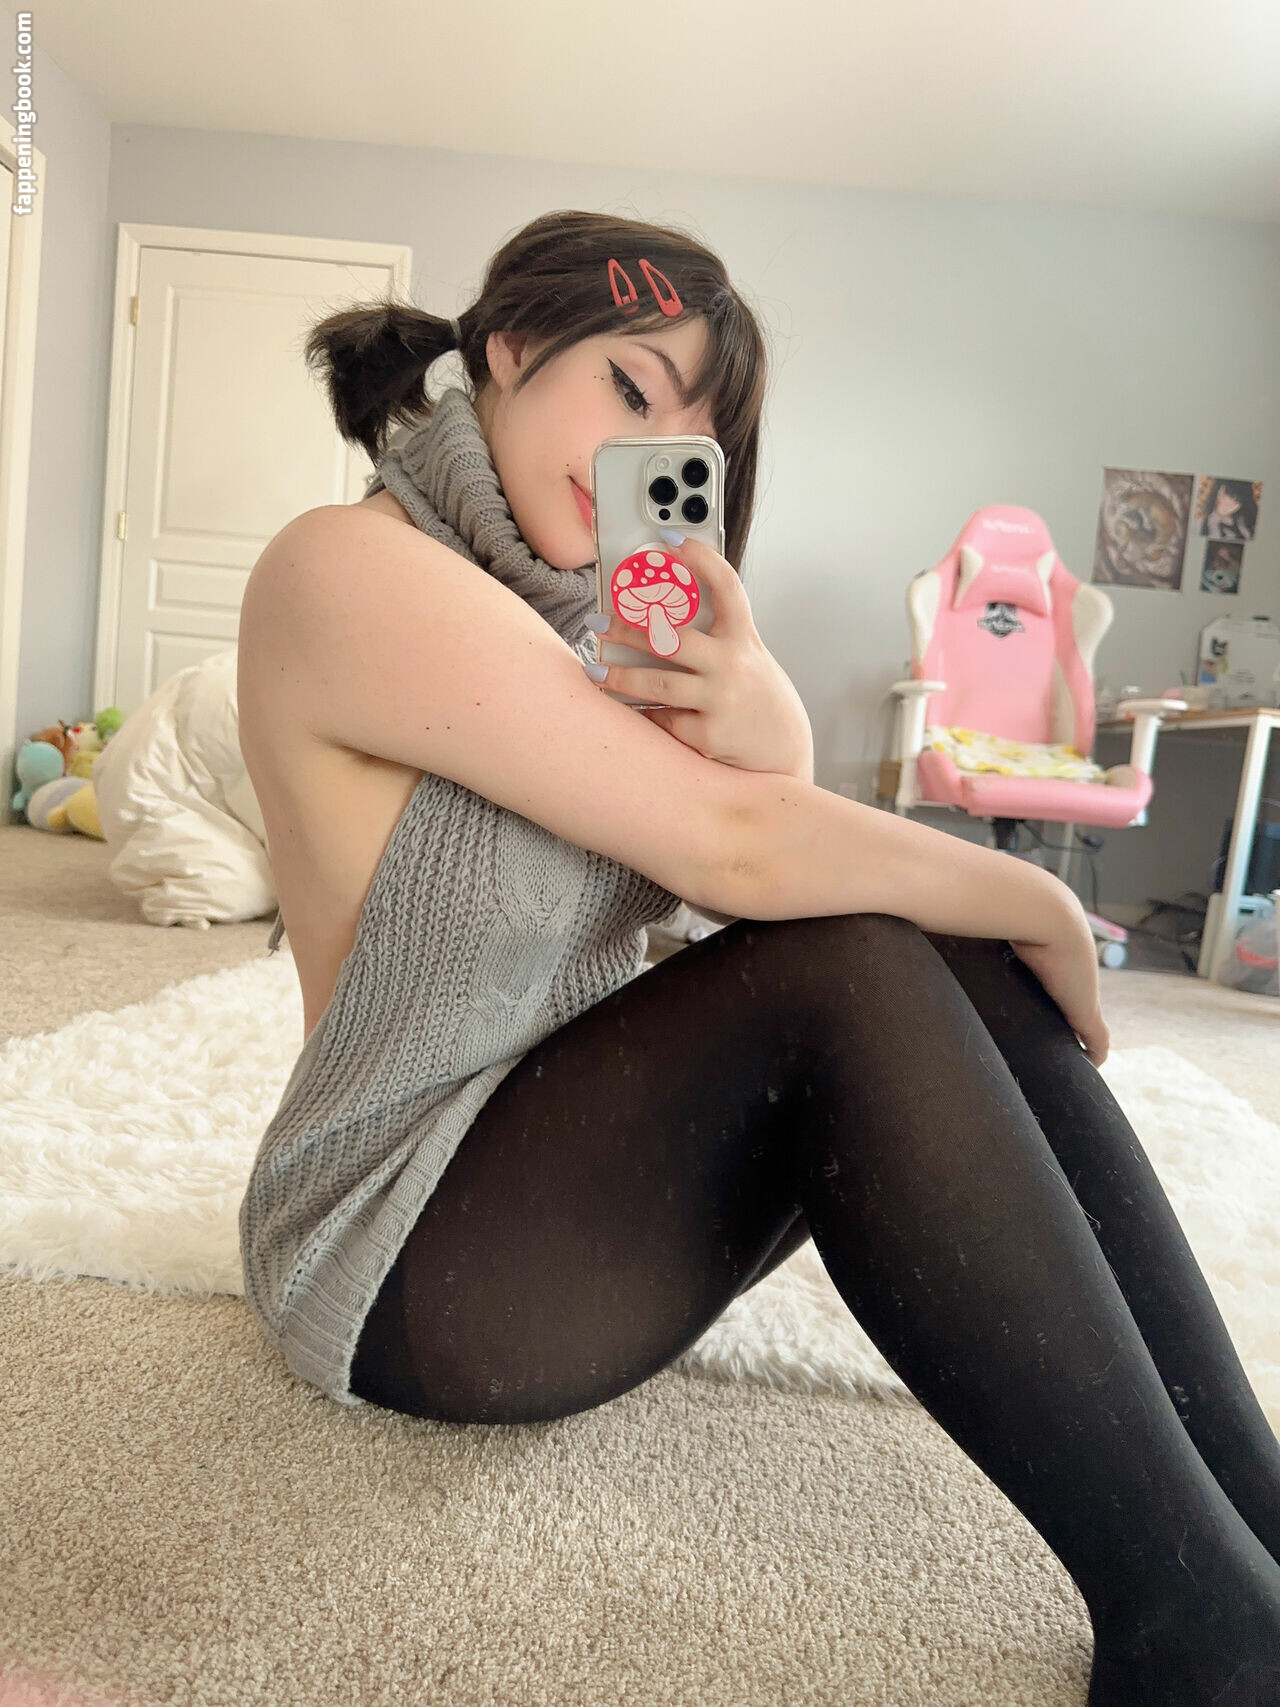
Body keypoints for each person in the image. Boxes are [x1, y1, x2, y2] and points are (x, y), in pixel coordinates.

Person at [237, 209, 1280, 1704]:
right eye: (630, 389)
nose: (654, 454)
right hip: (394, 1249)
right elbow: (737, 853)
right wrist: (1041, 900)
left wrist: (765, 716)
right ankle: (1200, 1631)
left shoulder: (601, 642)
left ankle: (1248, 1518)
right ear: (508, 350)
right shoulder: (347, 570)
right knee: (865, 964)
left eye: (696, 441)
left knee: (923, 948)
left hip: (569, 1192)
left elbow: (754, 863)